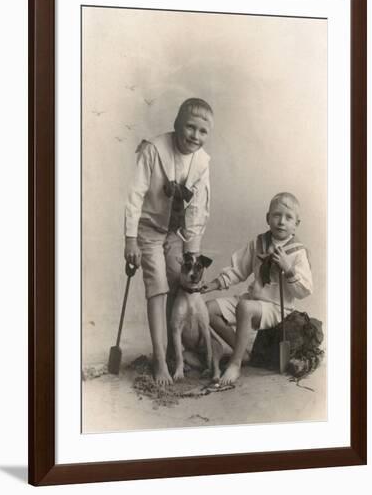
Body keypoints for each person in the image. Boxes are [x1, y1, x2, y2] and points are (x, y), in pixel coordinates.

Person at [124, 98, 214, 385]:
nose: (195, 136)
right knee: (158, 287)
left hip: (175, 233)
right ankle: (160, 359)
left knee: (181, 282)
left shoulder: (201, 162)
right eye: (190, 127)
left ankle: (180, 352)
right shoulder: (154, 149)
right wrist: (130, 241)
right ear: (177, 123)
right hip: (149, 231)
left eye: (203, 131)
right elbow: (135, 195)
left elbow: (198, 207)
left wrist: (192, 253)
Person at [203, 192, 313, 385]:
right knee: (207, 309)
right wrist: (214, 284)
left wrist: (288, 269)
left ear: (297, 224)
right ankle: (243, 352)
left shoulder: (297, 252)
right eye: (277, 215)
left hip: (277, 308)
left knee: (244, 307)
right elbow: (238, 270)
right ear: (267, 218)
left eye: (288, 218)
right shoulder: (259, 243)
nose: (281, 221)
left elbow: (304, 290)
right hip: (253, 299)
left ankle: (235, 364)